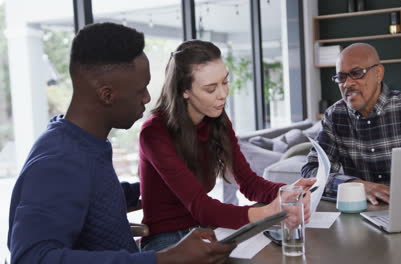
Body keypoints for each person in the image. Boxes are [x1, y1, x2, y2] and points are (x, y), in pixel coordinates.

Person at [7, 22, 235, 264]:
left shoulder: (84, 143)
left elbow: (95, 197)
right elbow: (30, 258)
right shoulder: (59, 162)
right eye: (141, 90)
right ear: (107, 95)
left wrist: (158, 187)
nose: (147, 98)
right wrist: (166, 259)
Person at [138, 40, 316, 252]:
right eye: (211, 88)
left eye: (225, 82)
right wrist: (268, 212)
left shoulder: (216, 120)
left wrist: (289, 192)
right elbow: (201, 206)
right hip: (165, 240)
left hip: (204, 230)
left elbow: (249, 183)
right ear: (184, 90)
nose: (223, 94)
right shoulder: (154, 133)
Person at [301, 43, 401, 206]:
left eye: (356, 73)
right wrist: (355, 185)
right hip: (364, 217)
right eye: (341, 77)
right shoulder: (335, 116)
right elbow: (312, 172)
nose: (347, 83)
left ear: (378, 74)